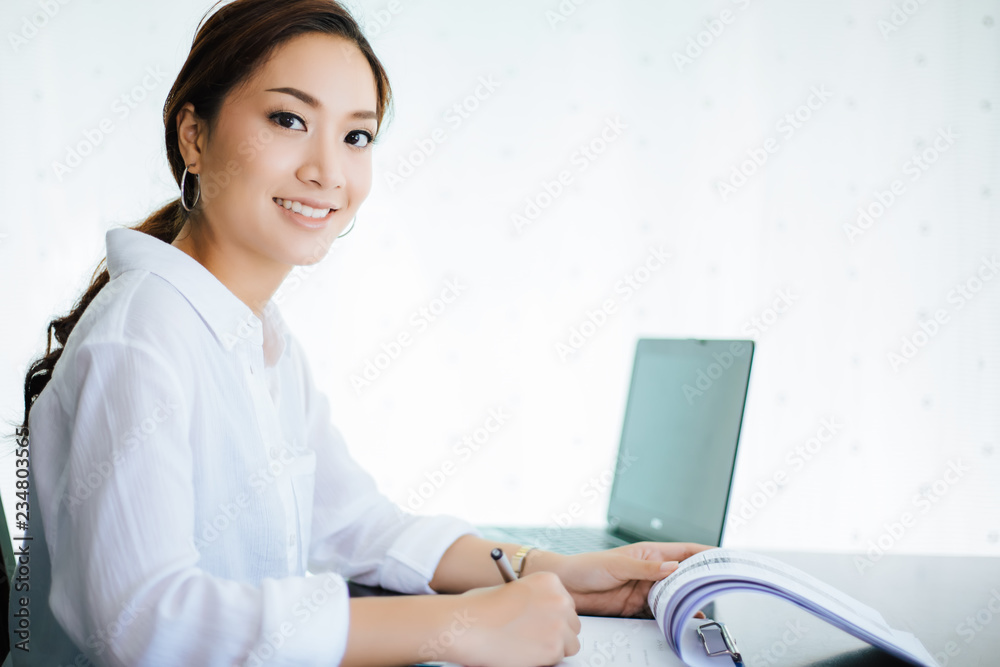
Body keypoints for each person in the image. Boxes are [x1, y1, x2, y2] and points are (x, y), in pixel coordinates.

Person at [12, 1, 711, 665]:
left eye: (356, 136)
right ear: (194, 135)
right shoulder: (142, 338)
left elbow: (357, 527)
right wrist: (458, 626)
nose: (327, 171)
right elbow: (145, 622)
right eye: (288, 120)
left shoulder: (254, 336)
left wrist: (553, 568)